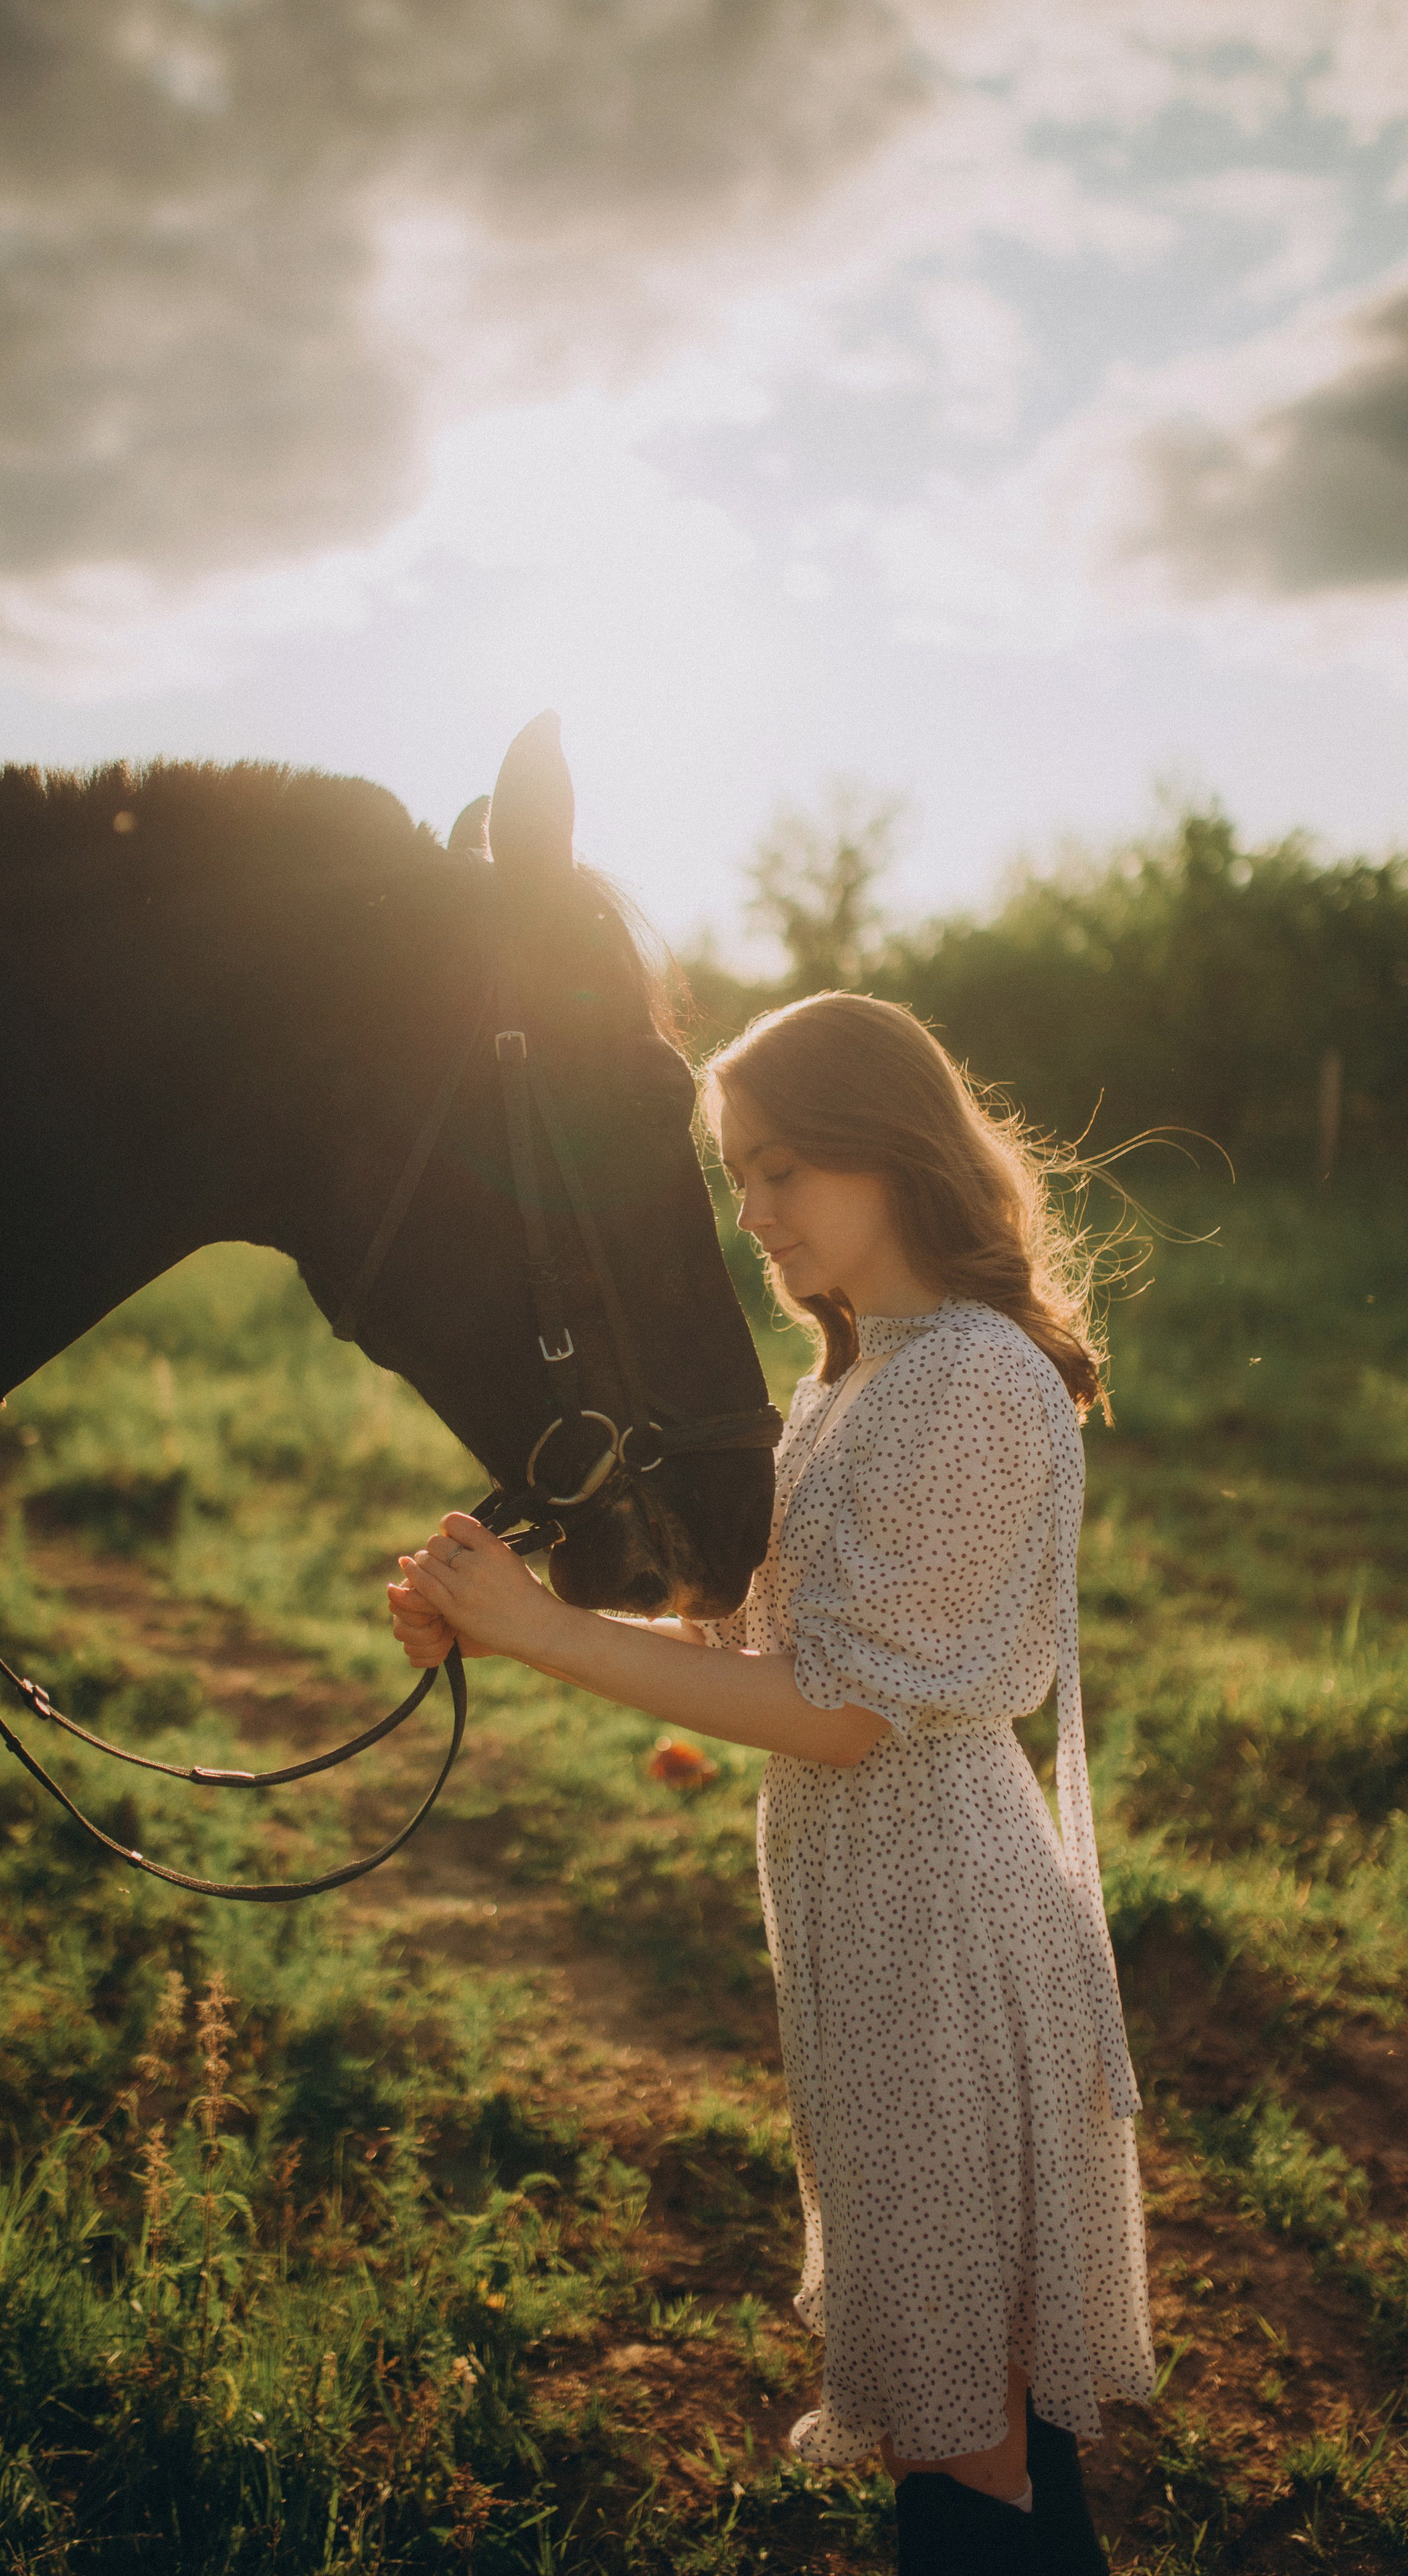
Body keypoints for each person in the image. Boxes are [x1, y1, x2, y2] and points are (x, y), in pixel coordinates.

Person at [387, 990, 1154, 2575]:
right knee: (965, 2393)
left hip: (940, 1921)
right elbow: (748, 1637)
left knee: (963, 2417)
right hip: (863, 1916)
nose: (752, 1213)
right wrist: (502, 1612)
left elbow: (836, 1712)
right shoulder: (849, 1379)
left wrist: (536, 1636)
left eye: (783, 1168)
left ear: (894, 1151)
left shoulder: (970, 1384)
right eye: (736, 1177)